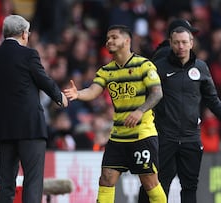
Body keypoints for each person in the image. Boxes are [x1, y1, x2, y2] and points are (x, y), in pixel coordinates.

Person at [138, 25, 221, 202]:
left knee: (190, 186)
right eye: (177, 43)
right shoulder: (158, 67)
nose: (181, 46)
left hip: (191, 138)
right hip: (165, 137)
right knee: (158, 184)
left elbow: (213, 100)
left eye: (184, 42)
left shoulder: (201, 68)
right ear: (171, 44)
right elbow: (145, 97)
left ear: (191, 43)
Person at [64, 25, 167, 203]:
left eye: (114, 37)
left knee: (150, 182)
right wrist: (78, 94)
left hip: (142, 134)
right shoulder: (106, 71)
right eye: (107, 38)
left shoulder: (144, 65)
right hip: (118, 136)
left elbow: (157, 93)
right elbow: (93, 90)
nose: (109, 41)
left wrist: (139, 111)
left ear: (127, 41)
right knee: (106, 179)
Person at [0, 15, 68, 203]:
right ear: (23, 34)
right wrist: (59, 97)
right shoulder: (29, 54)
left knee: (6, 182)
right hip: (31, 128)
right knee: (33, 181)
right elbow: (43, 79)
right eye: (27, 32)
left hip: (5, 131)